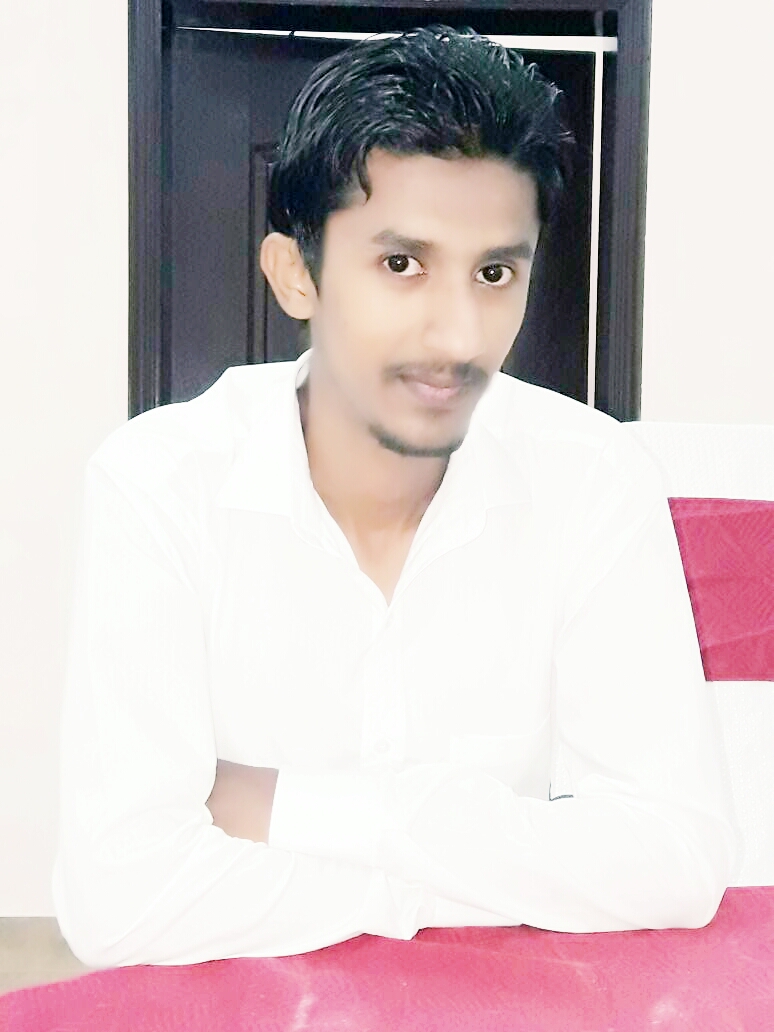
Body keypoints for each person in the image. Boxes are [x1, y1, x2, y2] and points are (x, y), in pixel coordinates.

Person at [53, 25, 738, 968]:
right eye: (402, 264)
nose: (458, 334)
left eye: (494, 273)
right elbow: (120, 899)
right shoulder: (160, 484)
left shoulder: (591, 475)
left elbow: (677, 860)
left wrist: (296, 808)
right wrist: (479, 880)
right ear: (296, 275)